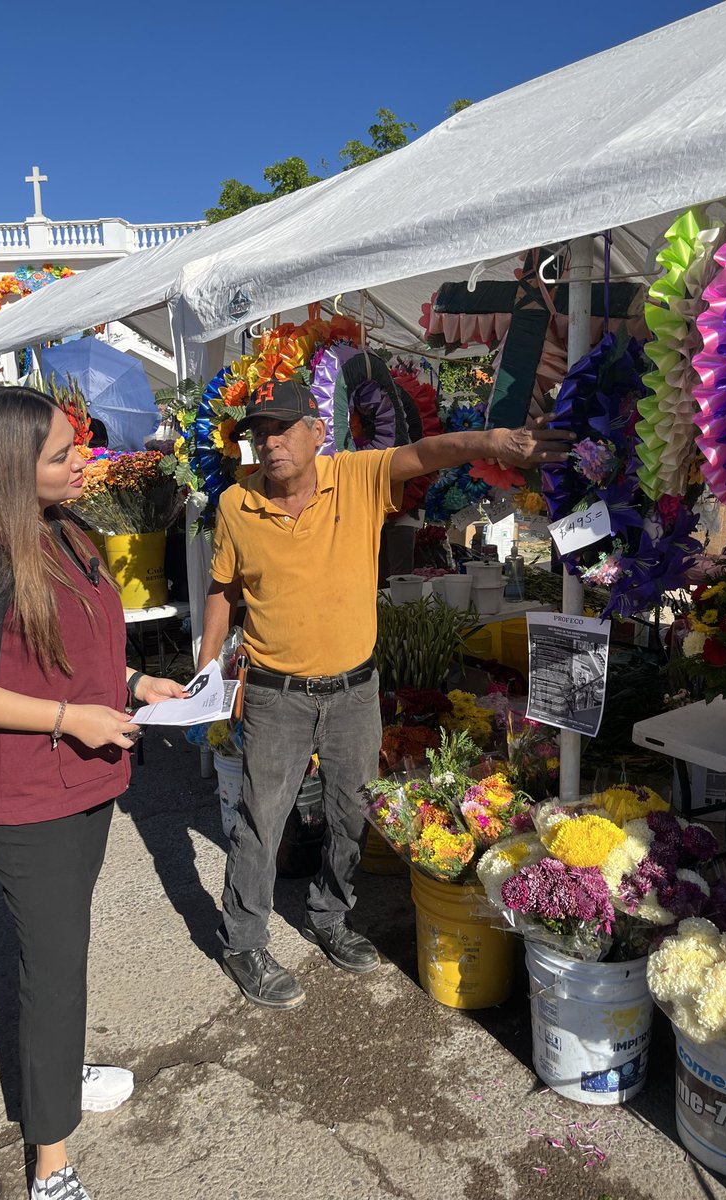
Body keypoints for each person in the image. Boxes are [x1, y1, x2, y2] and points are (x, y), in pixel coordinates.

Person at [198, 377, 573, 1009]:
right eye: (259, 435)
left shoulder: (358, 475)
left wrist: (500, 442)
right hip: (274, 692)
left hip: (353, 689)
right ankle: (243, 939)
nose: (269, 445)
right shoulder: (237, 504)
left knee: (352, 812)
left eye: (281, 430)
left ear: (318, 431)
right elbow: (222, 590)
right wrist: (207, 673)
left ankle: (330, 914)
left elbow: (431, 452)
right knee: (261, 818)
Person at [0, 386, 185, 1200]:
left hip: (86, 779)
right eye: (62, 454)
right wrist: (69, 718)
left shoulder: (63, 530)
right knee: (51, 968)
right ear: (8, 466)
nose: (80, 463)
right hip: (31, 799)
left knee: (62, 952)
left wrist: (138, 680)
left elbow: (79, 646)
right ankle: (51, 1162)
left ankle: (56, 1070)